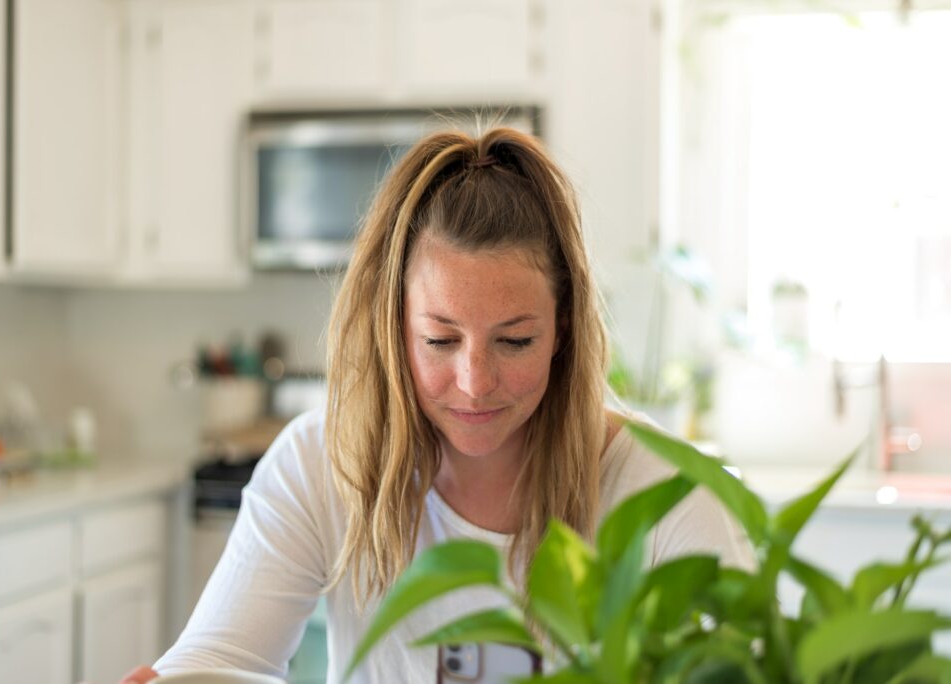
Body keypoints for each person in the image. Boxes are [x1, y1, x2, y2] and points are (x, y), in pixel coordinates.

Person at [119, 126, 752, 684]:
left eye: (515, 340)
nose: (475, 382)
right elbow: (225, 658)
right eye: (440, 340)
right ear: (394, 329)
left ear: (564, 331)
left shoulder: (670, 497)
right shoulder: (321, 462)